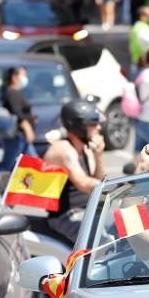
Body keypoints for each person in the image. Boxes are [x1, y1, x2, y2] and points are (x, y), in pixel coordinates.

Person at [42, 99, 107, 244]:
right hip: (66, 215)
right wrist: (116, 187)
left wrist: (99, 155)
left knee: (122, 231)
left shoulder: (85, 148)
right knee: (101, 243)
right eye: (93, 124)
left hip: (87, 210)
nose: (98, 128)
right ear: (78, 126)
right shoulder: (63, 149)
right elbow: (83, 183)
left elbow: (100, 179)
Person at [0, 66, 37, 170]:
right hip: (18, 136)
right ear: (14, 78)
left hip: (21, 137)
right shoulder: (12, 93)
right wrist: (28, 129)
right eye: (23, 75)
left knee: (33, 162)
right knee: (8, 164)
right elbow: (17, 113)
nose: (25, 78)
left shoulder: (15, 92)